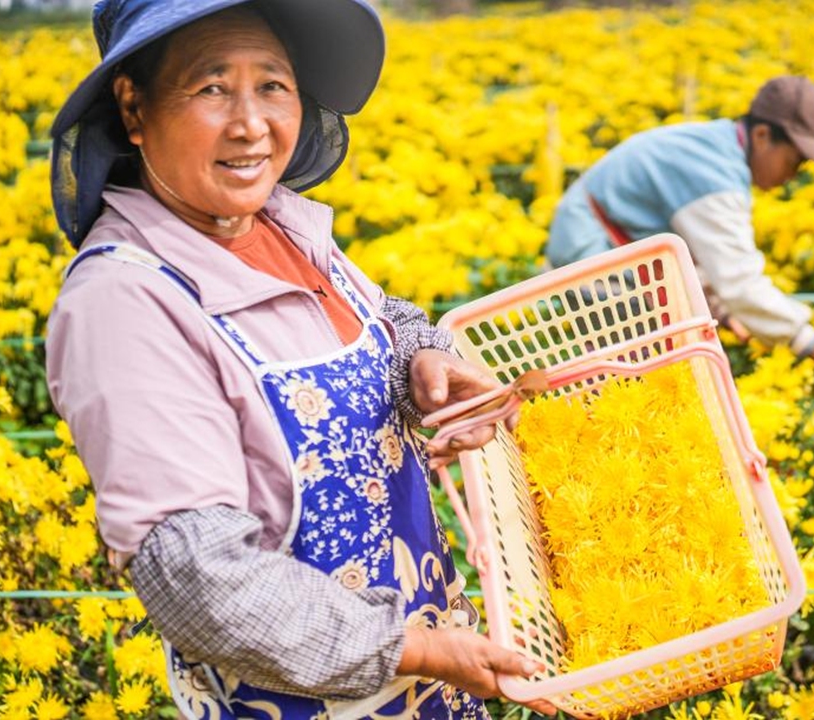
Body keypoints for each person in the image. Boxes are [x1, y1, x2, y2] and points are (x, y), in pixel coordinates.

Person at [45, 1, 554, 717]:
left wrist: (423, 360)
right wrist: (416, 651)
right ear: (133, 107)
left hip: (430, 675)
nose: (252, 124)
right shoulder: (124, 302)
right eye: (212, 87)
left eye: (273, 85)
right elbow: (199, 579)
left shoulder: (279, 221)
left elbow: (382, 318)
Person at [545, 76, 814, 404]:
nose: (793, 175)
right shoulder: (714, 174)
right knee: (641, 392)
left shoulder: (716, 149)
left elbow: (700, 254)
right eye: (795, 160)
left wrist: (722, 310)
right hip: (590, 257)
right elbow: (741, 284)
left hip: (605, 249)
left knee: (663, 373)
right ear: (762, 135)